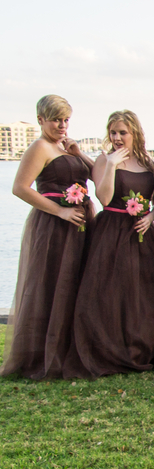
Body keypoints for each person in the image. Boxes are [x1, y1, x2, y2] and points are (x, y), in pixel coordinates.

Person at [2, 95, 95, 379]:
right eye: (56, 119)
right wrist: (60, 212)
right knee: (52, 283)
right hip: (54, 225)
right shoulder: (39, 147)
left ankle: (72, 347)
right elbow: (21, 188)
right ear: (41, 119)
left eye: (66, 119)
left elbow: (96, 175)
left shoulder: (66, 145)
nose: (62, 125)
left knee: (76, 282)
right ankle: (44, 353)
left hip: (80, 223)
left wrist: (79, 153)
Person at [65, 110, 154, 378]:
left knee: (139, 293)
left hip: (141, 234)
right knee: (110, 290)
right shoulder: (103, 160)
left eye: (123, 132)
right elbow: (105, 199)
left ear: (135, 134)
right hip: (112, 231)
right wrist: (110, 165)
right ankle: (107, 350)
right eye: (113, 132)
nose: (117, 138)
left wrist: (150, 218)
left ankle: (137, 348)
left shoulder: (147, 163)